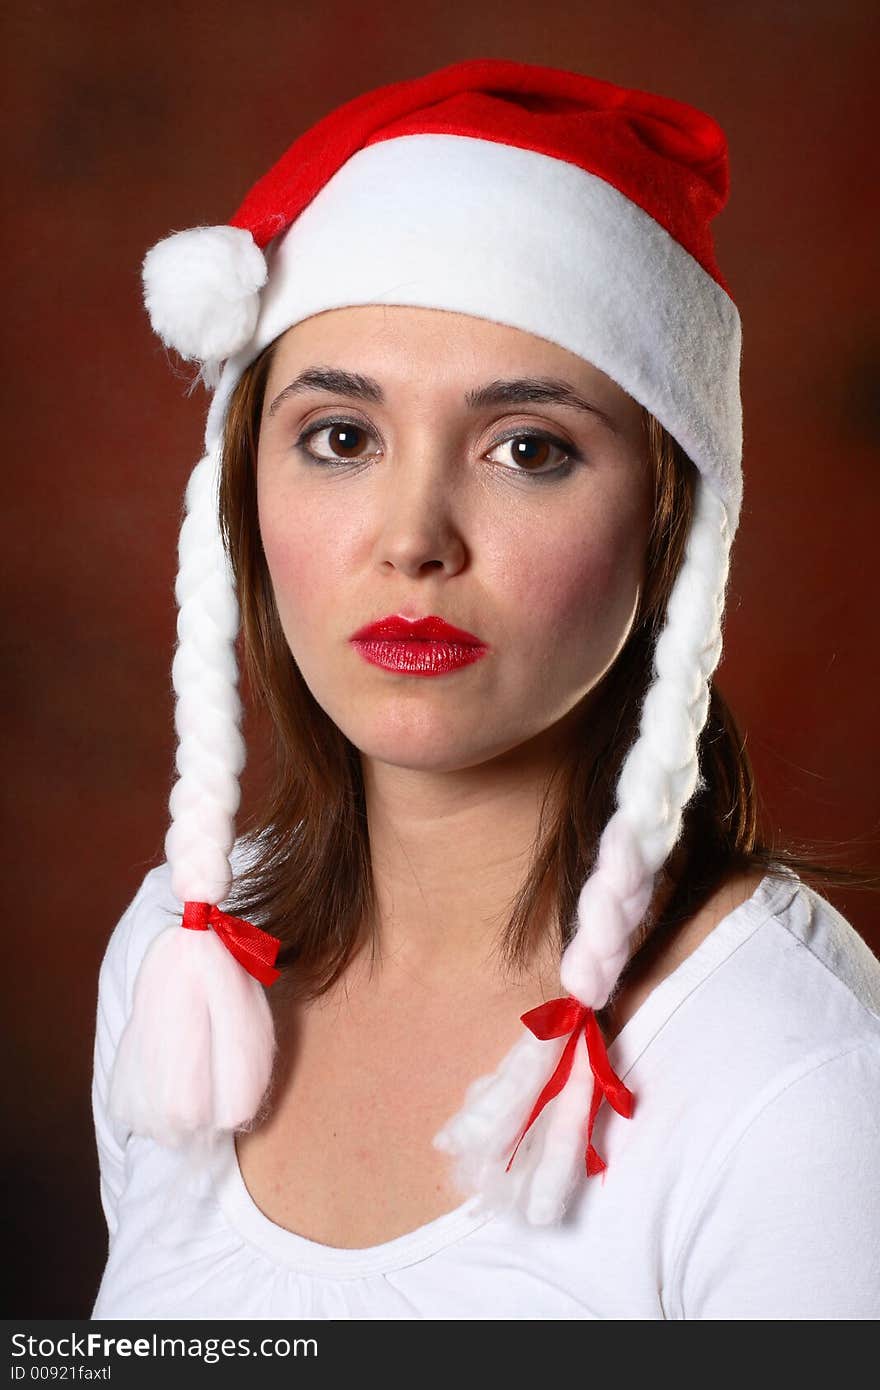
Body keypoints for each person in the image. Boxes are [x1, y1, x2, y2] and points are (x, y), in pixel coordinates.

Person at [90, 58, 880, 1320]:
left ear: (667, 521)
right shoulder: (173, 968)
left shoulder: (792, 1079)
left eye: (528, 449)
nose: (414, 538)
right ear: (243, 489)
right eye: (341, 437)